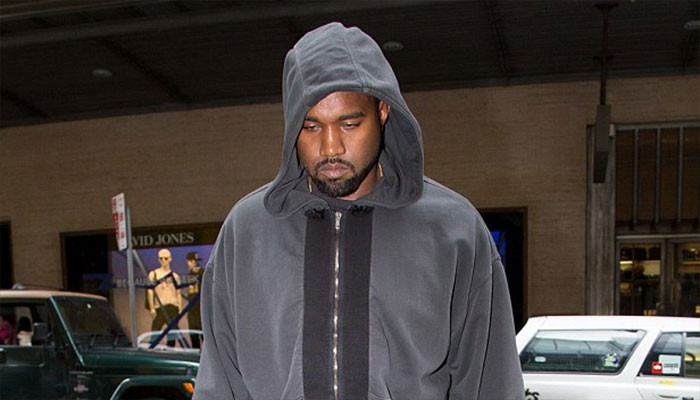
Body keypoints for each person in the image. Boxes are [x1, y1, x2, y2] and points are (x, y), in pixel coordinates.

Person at [194, 22, 524, 400]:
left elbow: (491, 383)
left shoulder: (453, 230)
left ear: (382, 110)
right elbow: (220, 382)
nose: (330, 147)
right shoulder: (247, 232)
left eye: (349, 124)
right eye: (310, 127)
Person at [147, 248, 182, 346]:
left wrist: (180, 308)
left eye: (165, 258)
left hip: (172, 306)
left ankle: (170, 351)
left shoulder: (175, 276)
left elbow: (178, 293)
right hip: (160, 307)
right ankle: (152, 350)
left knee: (172, 334)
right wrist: (152, 308)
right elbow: (150, 291)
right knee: (155, 333)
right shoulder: (154, 274)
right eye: (161, 258)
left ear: (170, 259)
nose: (163, 260)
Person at [184, 251, 204, 348]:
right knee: (195, 337)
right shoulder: (191, 273)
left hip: (199, 309)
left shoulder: (200, 272)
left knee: (201, 336)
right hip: (194, 309)